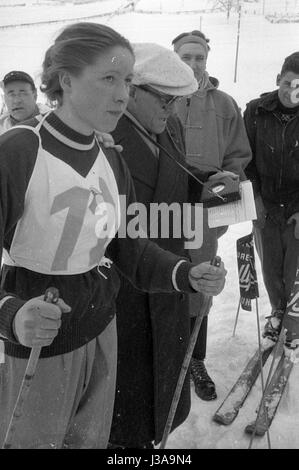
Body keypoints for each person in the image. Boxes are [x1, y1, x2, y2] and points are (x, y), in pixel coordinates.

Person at [0, 22, 227, 449]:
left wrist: (183, 274)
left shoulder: (108, 154)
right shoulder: (18, 151)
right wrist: (10, 313)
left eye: (126, 80)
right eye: (108, 78)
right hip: (42, 343)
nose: (122, 93)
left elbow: (124, 244)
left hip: (101, 331)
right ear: (65, 80)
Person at [108, 42, 231, 449]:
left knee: (164, 380)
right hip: (128, 286)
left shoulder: (166, 124)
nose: (171, 108)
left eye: (176, 100)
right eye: (164, 99)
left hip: (171, 274)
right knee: (129, 393)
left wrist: (207, 182)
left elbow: (173, 173)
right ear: (132, 90)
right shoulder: (106, 137)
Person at [172, 30, 252, 401]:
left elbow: (237, 155)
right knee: (159, 278)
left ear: (207, 59)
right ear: (173, 57)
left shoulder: (224, 104)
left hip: (204, 214)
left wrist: (228, 187)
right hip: (159, 210)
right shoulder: (160, 98)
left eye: (198, 57)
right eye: (185, 57)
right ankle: (166, 359)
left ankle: (194, 359)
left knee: (199, 284)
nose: (192, 64)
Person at [244, 52, 299, 347]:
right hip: (265, 205)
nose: (293, 92)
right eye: (289, 83)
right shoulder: (255, 111)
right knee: (271, 268)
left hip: (296, 208)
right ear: (279, 79)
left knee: (295, 269)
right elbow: (245, 161)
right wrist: (254, 199)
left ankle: (295, 322)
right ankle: (278, 313)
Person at [0, 70, 49, 135]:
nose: (17, 101)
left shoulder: (54, 122)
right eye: (11, 94)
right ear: (4, 98)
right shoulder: (2, 130)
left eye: (23, 93)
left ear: (34, 95)